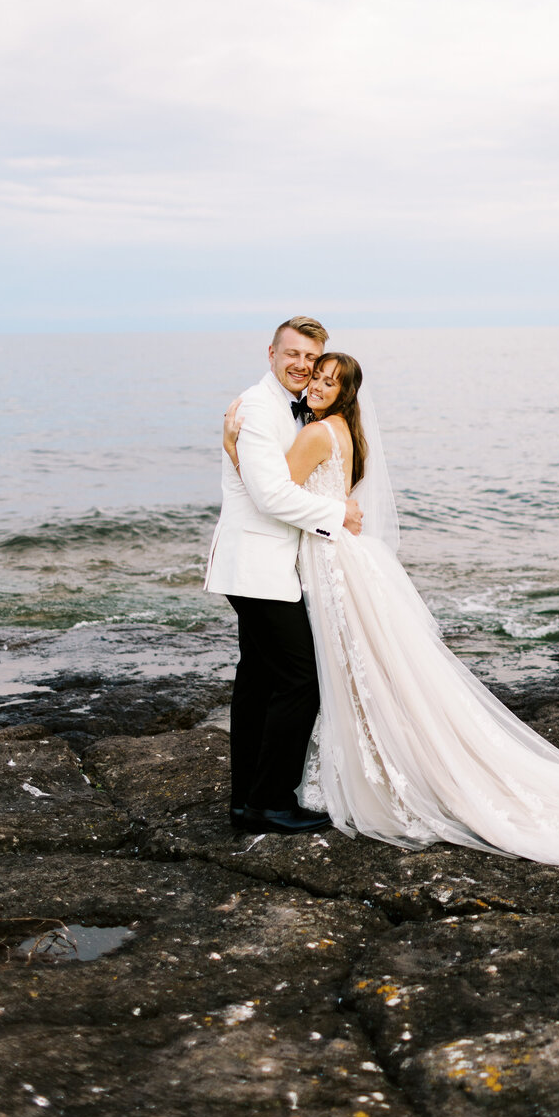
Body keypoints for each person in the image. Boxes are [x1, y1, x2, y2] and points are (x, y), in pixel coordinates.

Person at [223, 352, 559, 867]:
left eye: (329, 380)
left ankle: (355, 773)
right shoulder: (347, 433)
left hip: (329, 560)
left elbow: (268, 492)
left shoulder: (317, 434)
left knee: (346, 670)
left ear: (345, 391)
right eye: (316, 375)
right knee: (364, 669)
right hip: (344, 555)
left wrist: (233, 445)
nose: (317, 383)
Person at [204, 318, 363, 835]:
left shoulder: (296, 410)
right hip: (255, 566)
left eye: (311, 360)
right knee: (302, 679)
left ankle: (247, 799)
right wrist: (337, 512)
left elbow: (275, 481)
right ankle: (270, 802)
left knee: (258, 681)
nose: (301, 366)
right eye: (291, 354)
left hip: (269, 565)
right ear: (271, 352)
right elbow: (271, 495)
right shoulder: (254, 407)